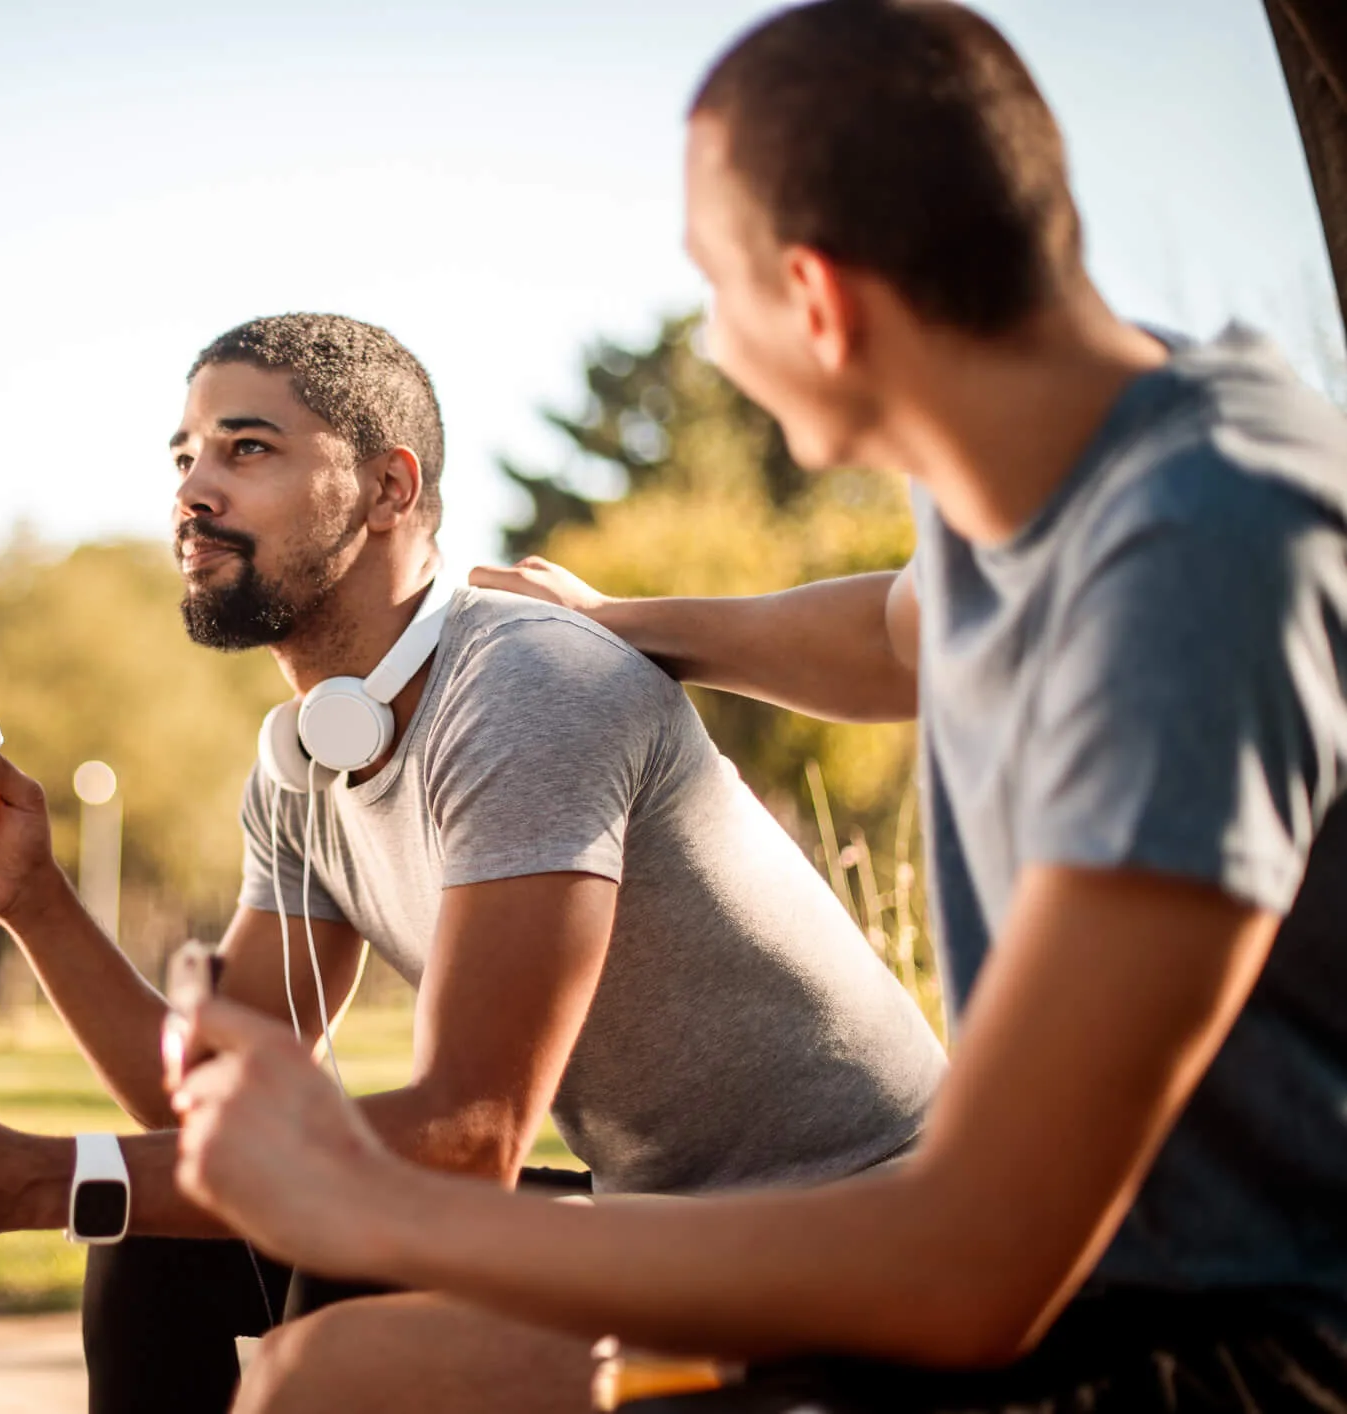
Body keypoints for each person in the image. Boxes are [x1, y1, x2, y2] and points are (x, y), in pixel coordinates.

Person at [163, 4, 1347, 1411]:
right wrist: (628, 627)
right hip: (1069, 1287)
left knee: (345, 1380)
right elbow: (896, 631)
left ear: (817, 299)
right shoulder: (1059, 448)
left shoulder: (1203, 551)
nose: (714, 343)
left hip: (1215, 1345)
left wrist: (371, 1207)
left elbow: (973, 1263)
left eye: (716, 289)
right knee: (342, 1365)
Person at [0, 312, 947, 1414]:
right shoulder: (300, 763)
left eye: (247, 448)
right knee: (157, 1252)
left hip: (848, 1237)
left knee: (320, 1283)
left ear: (390, 487)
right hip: (657, 1226)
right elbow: (200, 1114)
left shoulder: (526, 685)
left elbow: (467, 1138)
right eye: (181, 457)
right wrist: (30, 896)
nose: (194, 490)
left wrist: (35, 1174)